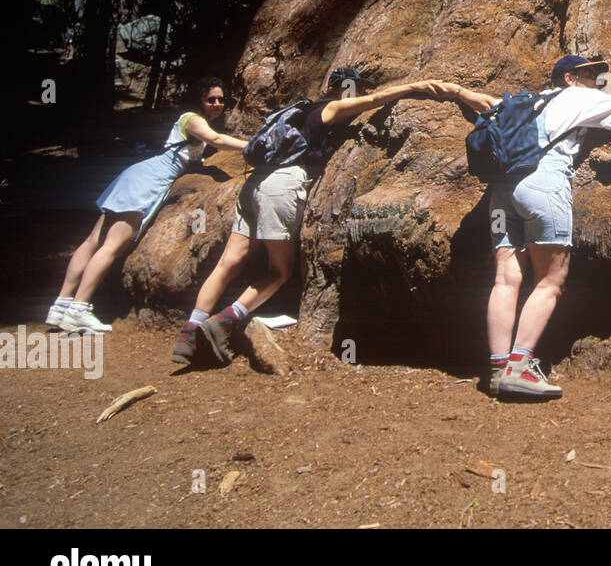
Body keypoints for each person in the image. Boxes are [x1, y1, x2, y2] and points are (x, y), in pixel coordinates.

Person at [436, 56, 611, 400]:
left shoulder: (530, 101)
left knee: (505, 278)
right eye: (591, 74)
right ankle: (519, 368)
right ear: (570, 78)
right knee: (550, 280)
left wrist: (454, 91)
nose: (598, 81)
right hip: (542, 184)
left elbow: (485, 105)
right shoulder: (578, 97)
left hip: (502, 192)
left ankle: (496, 368)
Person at [171, 68, 442, 367]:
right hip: (282, 184)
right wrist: (415, 85)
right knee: (279, 272)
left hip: (254, 184)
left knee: (228, 262)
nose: (358, 94)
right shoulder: (331, 107)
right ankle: (223, 322)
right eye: (351, 88)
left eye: (359, 88)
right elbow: (376, 100)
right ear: (337, 89)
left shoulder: (300, 112)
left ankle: (189, 333)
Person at [45, 77, 246, 334]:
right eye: (211, 99)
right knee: (112, 246)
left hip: (139, 175)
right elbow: (216, 139)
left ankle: (61, 305)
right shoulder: (192, 119)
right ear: (199, 100)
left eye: (221, 99)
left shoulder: (190, 122)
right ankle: (78, 309)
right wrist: (251, 144)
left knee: (93, 240)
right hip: (147, 180)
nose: (217, 104)